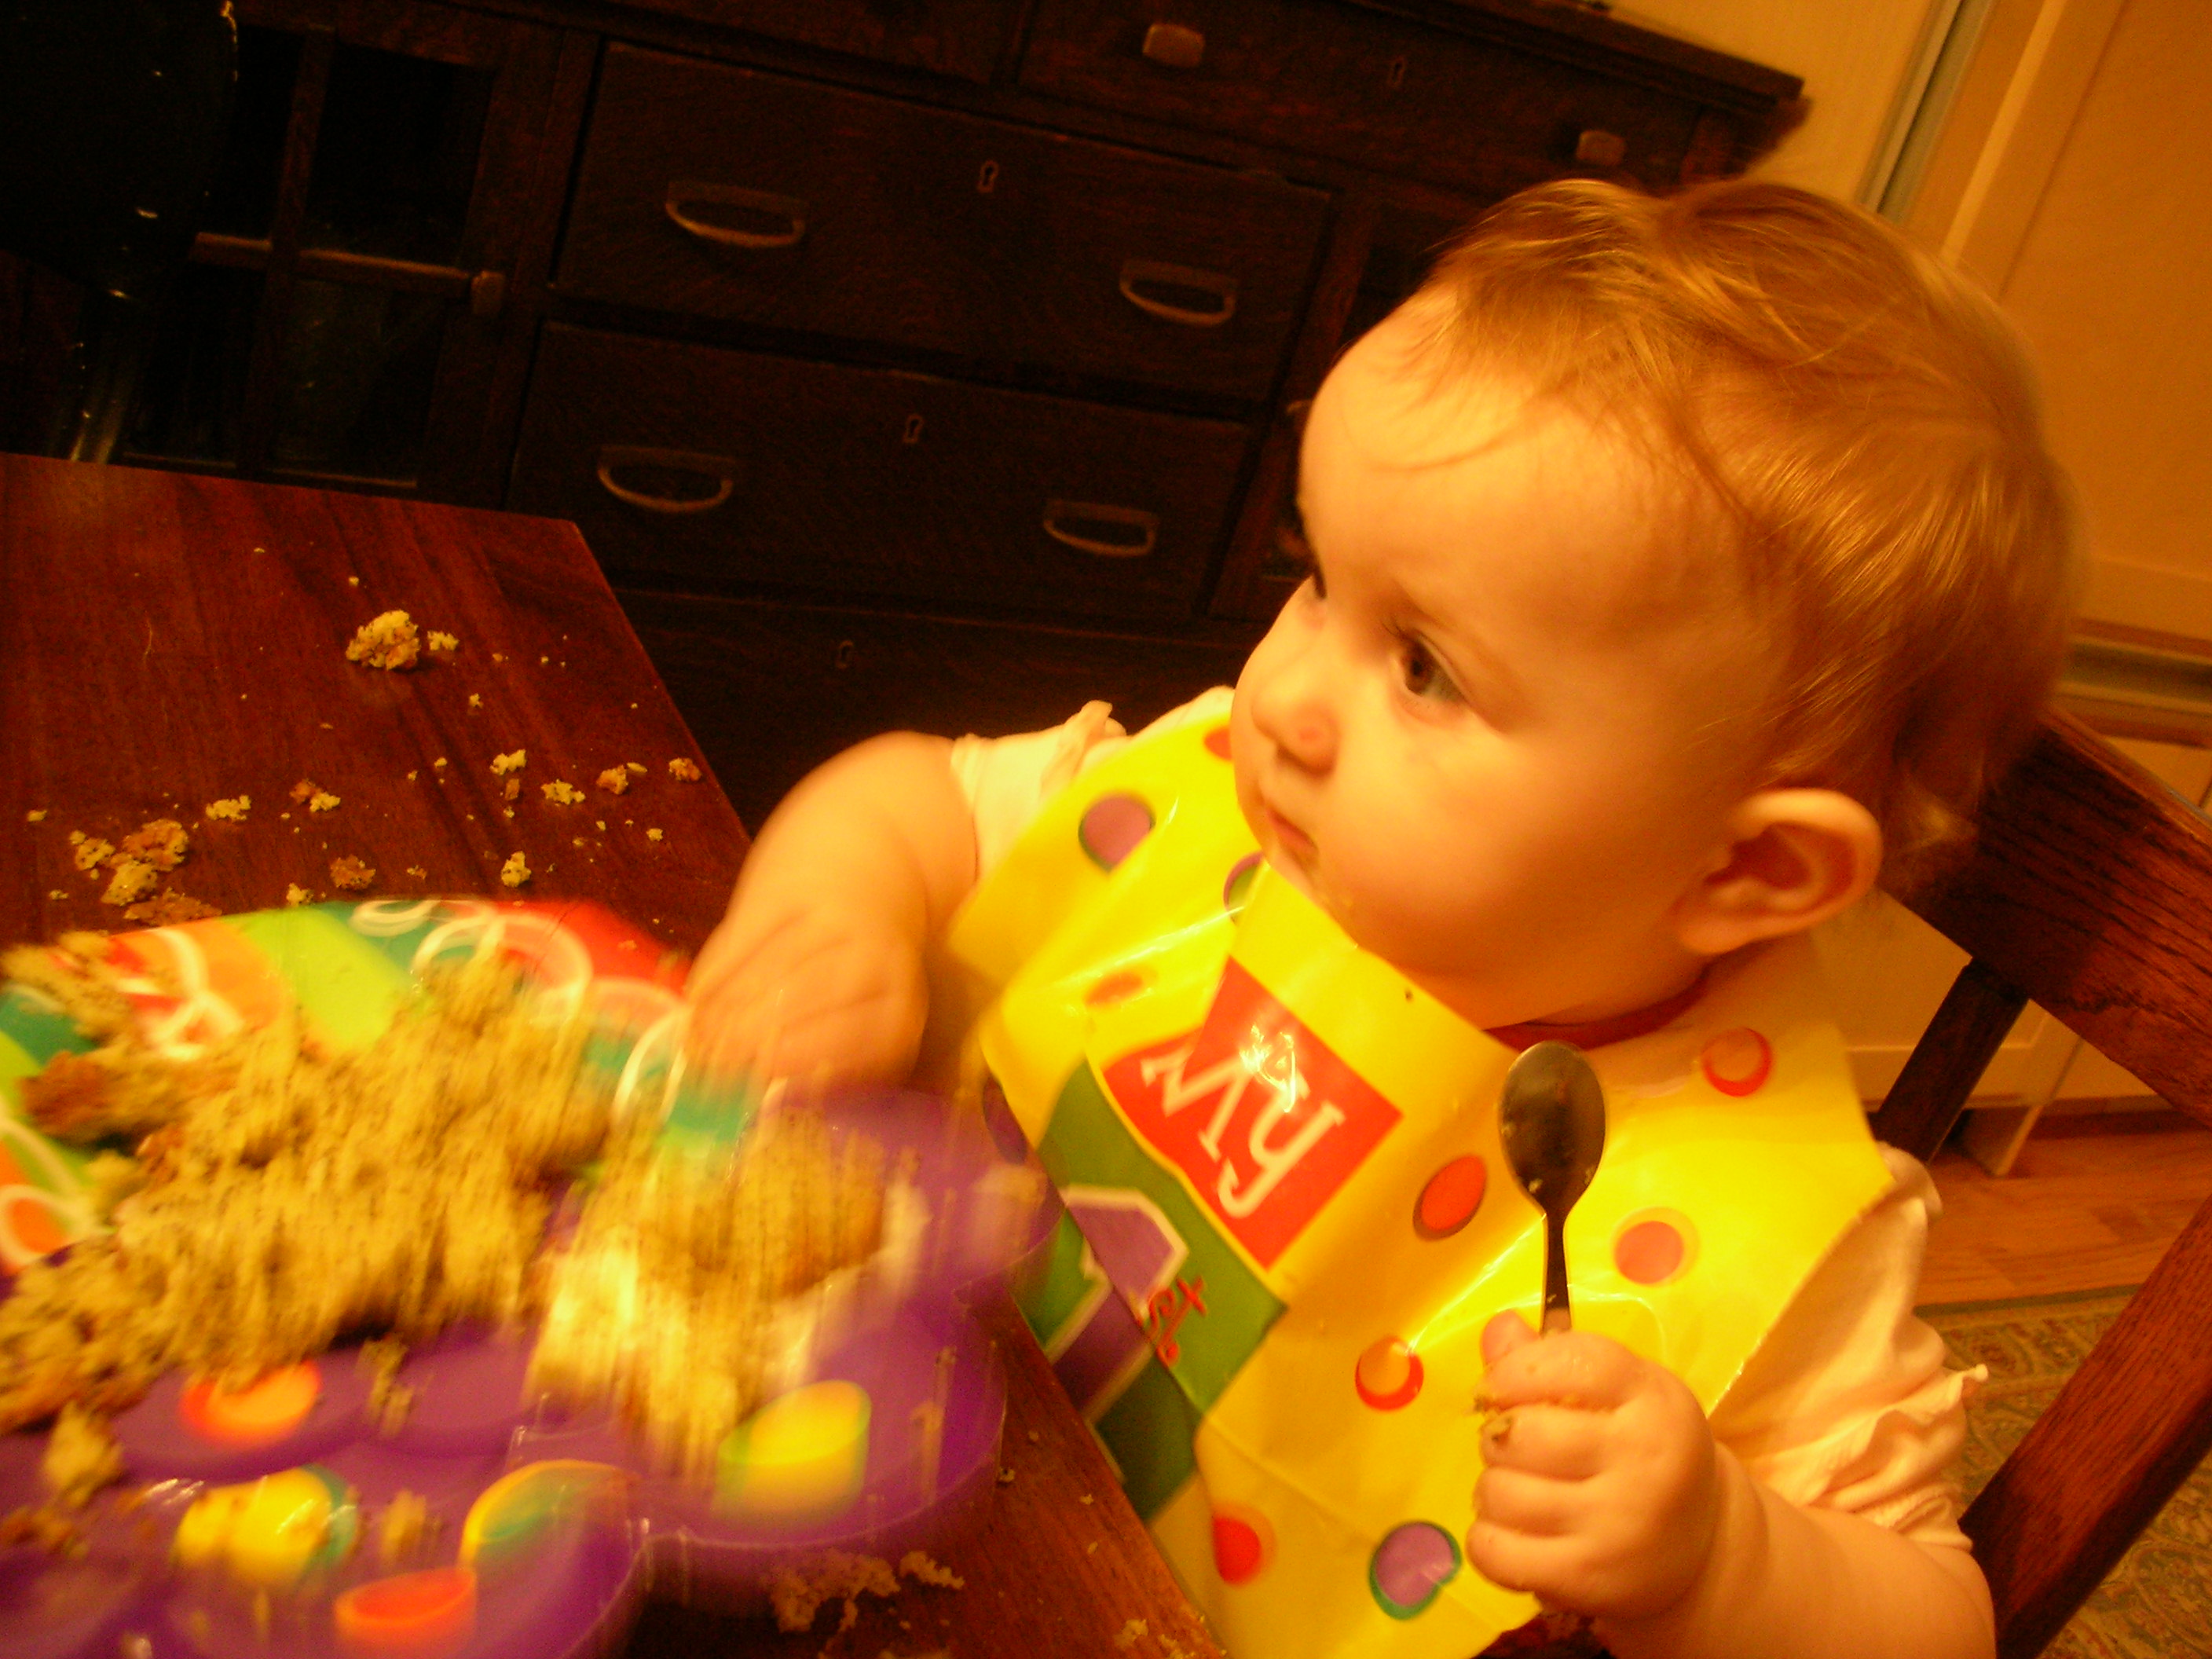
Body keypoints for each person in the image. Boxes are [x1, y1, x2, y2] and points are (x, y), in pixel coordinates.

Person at [684, 178, 2077, 1659]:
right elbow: (916, 799)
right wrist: (835, 911)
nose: (1280, 695)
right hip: (823, 1470)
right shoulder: (1225, 810)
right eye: (1314, 583)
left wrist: (1721, 1559)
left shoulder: (1770, 1230)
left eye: (1423, 668)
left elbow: (1939, 1626)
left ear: (1752, 873)